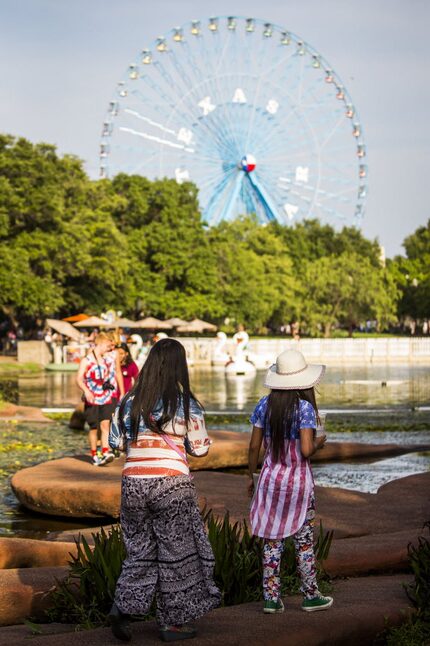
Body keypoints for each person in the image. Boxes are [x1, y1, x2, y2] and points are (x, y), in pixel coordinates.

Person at [108, 338, 220, 642]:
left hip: (133, 482)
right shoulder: (187, 405)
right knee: (176, 553)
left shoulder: (128, 402)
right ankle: (171, 625)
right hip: (171, 484)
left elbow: (114, 444)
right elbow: (199, 449)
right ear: (178, 367)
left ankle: (122, 606)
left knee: (139, 548)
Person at [247, 349, 333, 614]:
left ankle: (271, 599)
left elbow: (253, 447)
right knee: (303, 541)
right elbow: (306, 450)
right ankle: (310, 595)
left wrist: (253, 476)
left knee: (272, 540)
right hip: (299, 485)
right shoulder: (305, 409)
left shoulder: (264, 405)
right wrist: (320, 441)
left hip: (271, 481)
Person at [77, 332, 124, 466]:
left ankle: (105, 452)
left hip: (106, 397)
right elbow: (79, 379)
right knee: (93, 427)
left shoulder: (106, 359)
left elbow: (114, 373)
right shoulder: (86, 360)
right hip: (91, 397)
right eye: (108, 345)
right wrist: (86, 391)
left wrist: (117, 390)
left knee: (105, 425)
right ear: (101, 344)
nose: (110, 348)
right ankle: (94, 455)